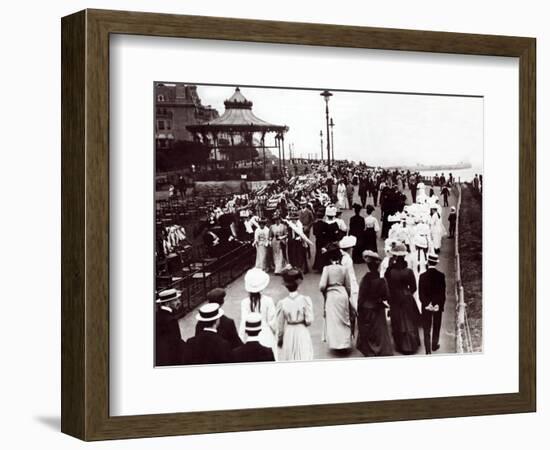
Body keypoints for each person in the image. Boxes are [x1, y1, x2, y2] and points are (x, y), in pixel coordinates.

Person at [384, 244, 421, 355]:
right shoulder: (408, 271)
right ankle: (412, 343)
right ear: (404, 257)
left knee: (398, 320)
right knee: (409, 319)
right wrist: (408, 293)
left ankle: (401, 344)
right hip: (406, 297)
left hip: (395, 297)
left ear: (394, 257)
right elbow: (414, 287)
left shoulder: (390, 271)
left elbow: (387, 285)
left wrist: (390, 296)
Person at [356, 251, 393, 357]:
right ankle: (380, 349)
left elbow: (361, 296)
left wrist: (359, 309)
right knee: (379, 330)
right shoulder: (382, 280)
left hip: (367, 308)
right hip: (378, 308)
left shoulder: (365, 279)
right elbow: (387, 295)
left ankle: (369, 350)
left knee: (368, 329)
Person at [319, 243, 352, 351]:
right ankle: (346, 343)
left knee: (334, 321)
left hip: (332, 295)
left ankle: (337, 344)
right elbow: (348, 286)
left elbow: (322, 285)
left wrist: (324, 291)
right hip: (343, 294)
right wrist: (348, 296)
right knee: (344, 319)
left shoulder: (327, 269)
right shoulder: (344, 269)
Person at [238, 268, 278, 358]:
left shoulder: (245, 302)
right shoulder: (268, 301)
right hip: (266, 332)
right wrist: (276, 334)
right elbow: (272, 321)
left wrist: (241, 337)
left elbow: (244, 321)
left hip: (251, 334)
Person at [276, 269, 314, 361]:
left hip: (289, 331)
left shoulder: (282, 303)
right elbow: (309, 320)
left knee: (290, 356)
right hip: (302, 331)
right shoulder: (305, 300)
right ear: (298, 285)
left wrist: (280, 339)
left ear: (286, 287)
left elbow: (280, 325)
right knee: (304, 355)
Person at [419, 254, 447, 354]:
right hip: (437, 306)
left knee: (426, 328)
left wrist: (426, 304)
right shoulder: (441, 276)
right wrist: (439, 305)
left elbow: (420, 294)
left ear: (428, 262)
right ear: (436, 263)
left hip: (426, 306)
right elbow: (442, 293)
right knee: (436, 325)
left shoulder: (422, 276)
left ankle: (428, 350)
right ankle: (434, 345)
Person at [155, 289, 188, 366]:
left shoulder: (157, 315)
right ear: (167, 303)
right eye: (175, 300)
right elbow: (176, 342)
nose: (179, 302)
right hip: (171, 358)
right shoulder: (171, 320)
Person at [339, 235, 359, 336]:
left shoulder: (343, 257)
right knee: (353, 305)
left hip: (348, 282)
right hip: (350, 283)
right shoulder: (347, 259)